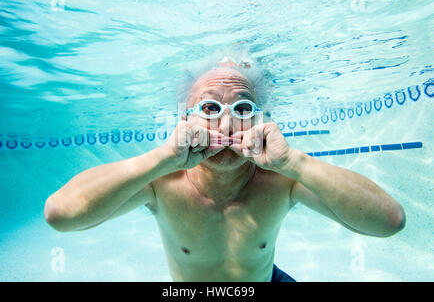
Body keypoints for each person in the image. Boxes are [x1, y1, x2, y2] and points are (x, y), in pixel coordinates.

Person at [44, 57, 405, 282]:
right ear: (184, 120)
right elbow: (61, 214)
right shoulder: (162, 182)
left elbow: (389, 222)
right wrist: (161, 157)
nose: (228, 124)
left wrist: (295, 162)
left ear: (260, 121)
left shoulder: (281, 180)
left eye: (243, 109)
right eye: (210, 109)